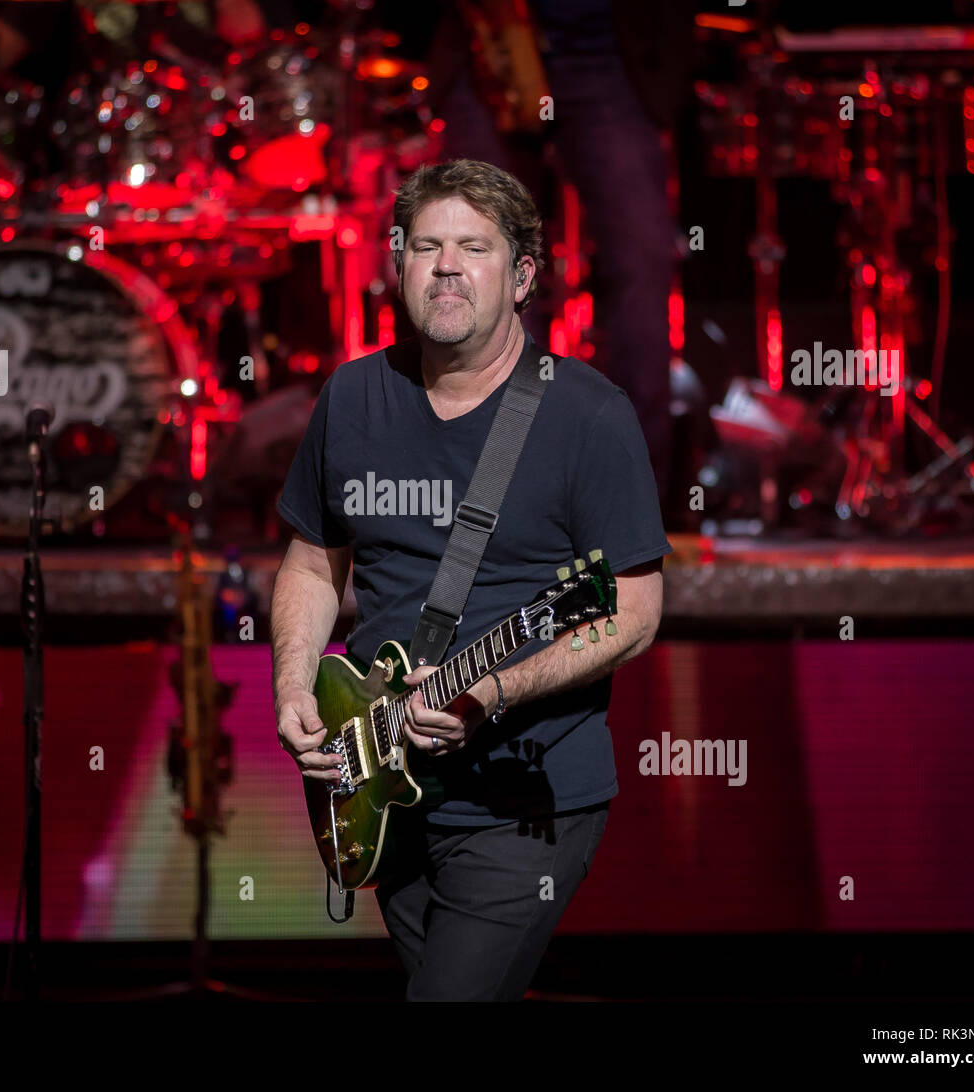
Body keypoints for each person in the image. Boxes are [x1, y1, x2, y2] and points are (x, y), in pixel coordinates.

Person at [271, 159, 670, 1001]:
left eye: (474, 248)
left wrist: (492, 690)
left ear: (523, 276)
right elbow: (311, 563)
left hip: (524, 801)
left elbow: (633, 613)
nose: (447, 265)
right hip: (382, 791)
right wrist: (292, 683)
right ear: (397, 261)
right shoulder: (352, 399)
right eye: (428, 246)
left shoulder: (589, 417)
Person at [421, 1, 696, 510]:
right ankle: (505, 497)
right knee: (482, 267)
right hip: (489, 39)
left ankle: (633, 504)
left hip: (608, 47)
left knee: (641, 261)